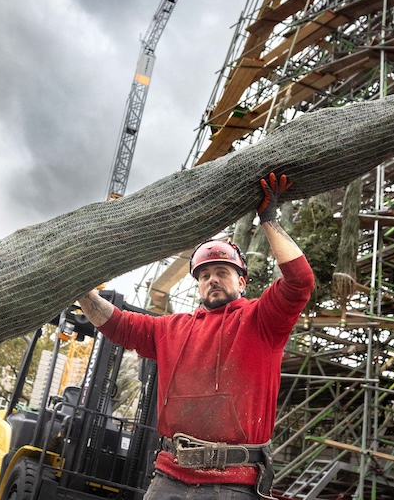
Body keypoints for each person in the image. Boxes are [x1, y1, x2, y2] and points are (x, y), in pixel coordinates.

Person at [77, 172, 314, 499]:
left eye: (222, 272)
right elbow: (119, 325)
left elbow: (300, 281)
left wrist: (269, 219)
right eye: (204, 275)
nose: (212, 280)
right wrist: (79, 291)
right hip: (168, 478)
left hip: (232, 484)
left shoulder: (262, 320)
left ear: (241, 282)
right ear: (198, 284)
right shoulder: (171, 328)